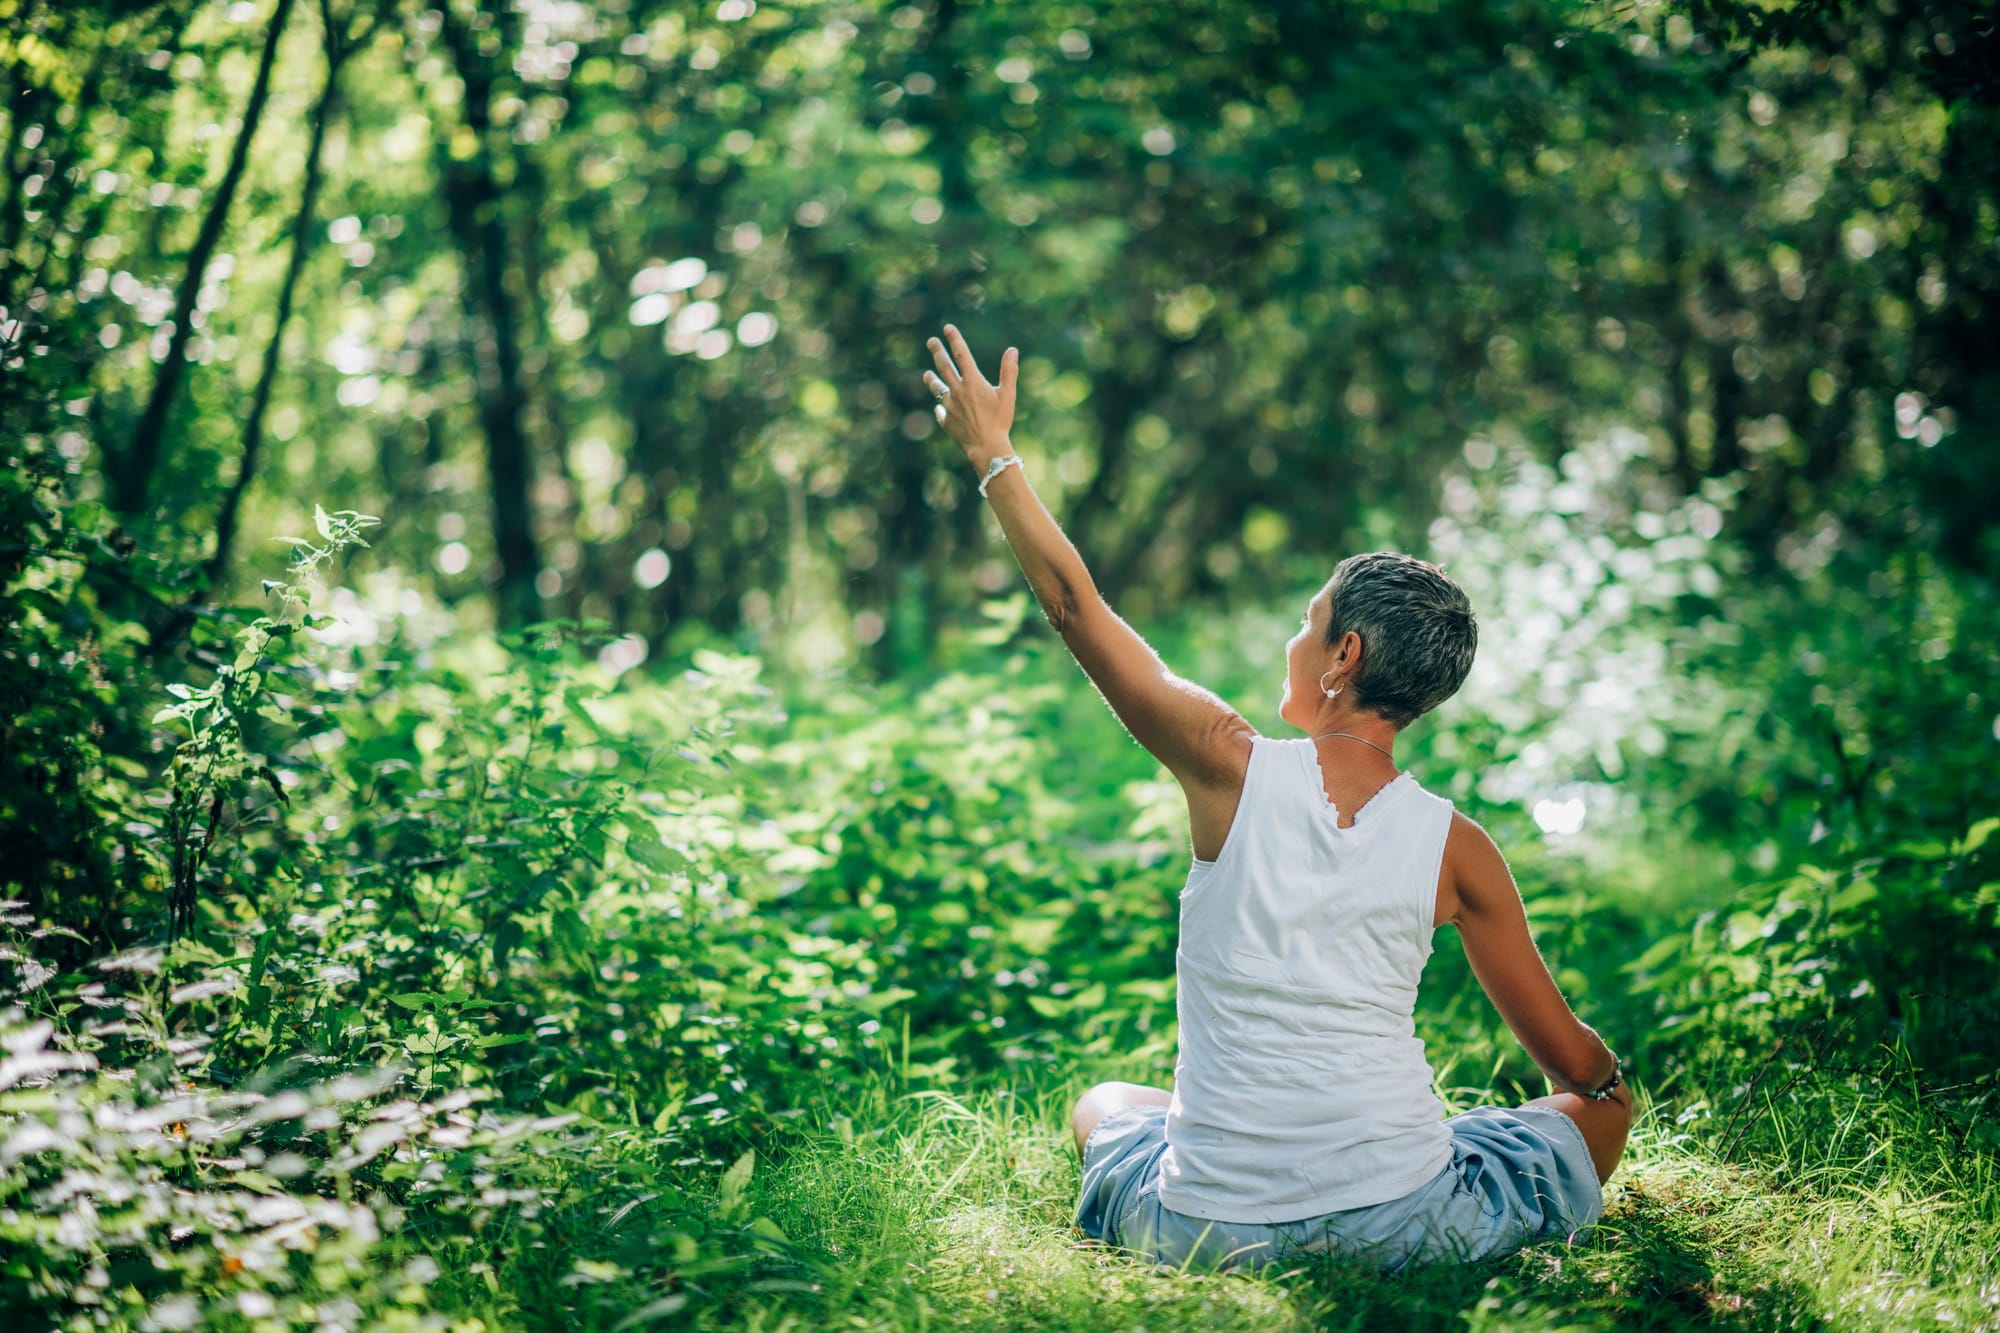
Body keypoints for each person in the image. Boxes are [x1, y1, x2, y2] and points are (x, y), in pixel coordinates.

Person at [920, 324, 1633, 1273]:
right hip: (1408, 1224)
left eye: (1309, 623)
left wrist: (993, 456)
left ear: (1346, 657)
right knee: (1585, 1109)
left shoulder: (1228, 764)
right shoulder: (1458, 849)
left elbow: (1074, 607)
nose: (1293, 641)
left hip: (1204, 1228)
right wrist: (1581, 1097)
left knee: (1106, 1102)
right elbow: (1573, 1065)